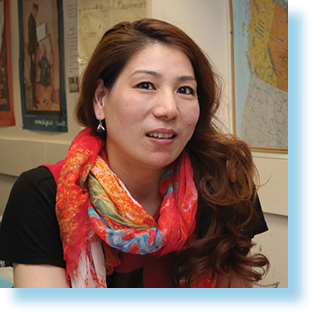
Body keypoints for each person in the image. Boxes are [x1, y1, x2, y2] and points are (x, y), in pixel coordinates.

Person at [0, 19, 270, 288]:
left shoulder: (224, 186)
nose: (169, 108)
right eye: (145, 85)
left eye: (185, 90)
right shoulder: (44, 194)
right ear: (100, 100)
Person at [28, 3, 39, 109]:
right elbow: (31, 37)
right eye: (36, 11)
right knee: (32, 77)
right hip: (32, 52)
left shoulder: (33, 19)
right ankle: (32, 100)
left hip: (34, 51)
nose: (36, 14)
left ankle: (34, 97)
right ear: (33, 9)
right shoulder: (31, 20)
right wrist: (32, 53)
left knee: (34, 76)